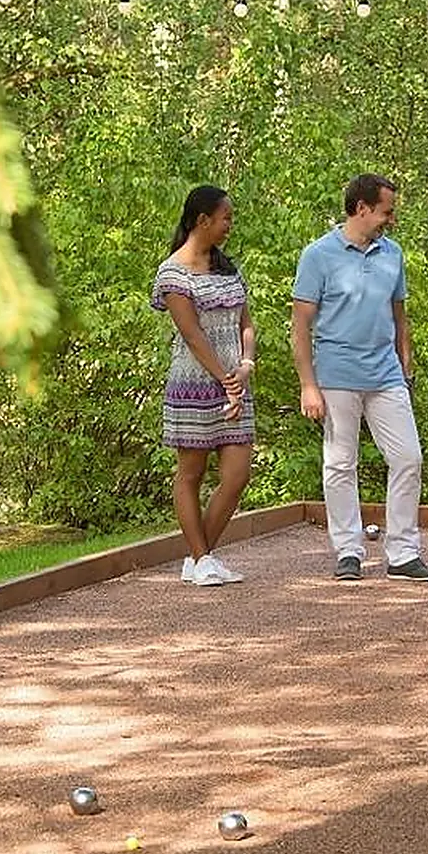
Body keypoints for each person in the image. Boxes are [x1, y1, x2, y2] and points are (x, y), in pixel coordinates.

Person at [291, 174, 428, 582]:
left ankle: (404, 554)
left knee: (408, 457)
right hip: (336, 375)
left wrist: (405, 367)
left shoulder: (392, 255)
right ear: (362, 209)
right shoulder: (318, 255)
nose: (391, 219)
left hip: (387, 376)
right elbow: (300, 326)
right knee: (340, 464)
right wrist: (308, 384)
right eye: (386, 211)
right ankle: (348, 551)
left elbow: (400, 319)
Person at [150, 185, 257, 587]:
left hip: (235, 384)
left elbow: (246, 322)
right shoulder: (172, 273)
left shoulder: (228, 268)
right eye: (225, 218)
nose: (230, 225)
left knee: (237, 475)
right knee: (190, 473)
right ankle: (201, 556)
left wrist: (244, 367)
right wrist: (225, 379)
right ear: (202, 220)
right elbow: (193, 335)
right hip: (194, 385)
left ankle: (200, 557)